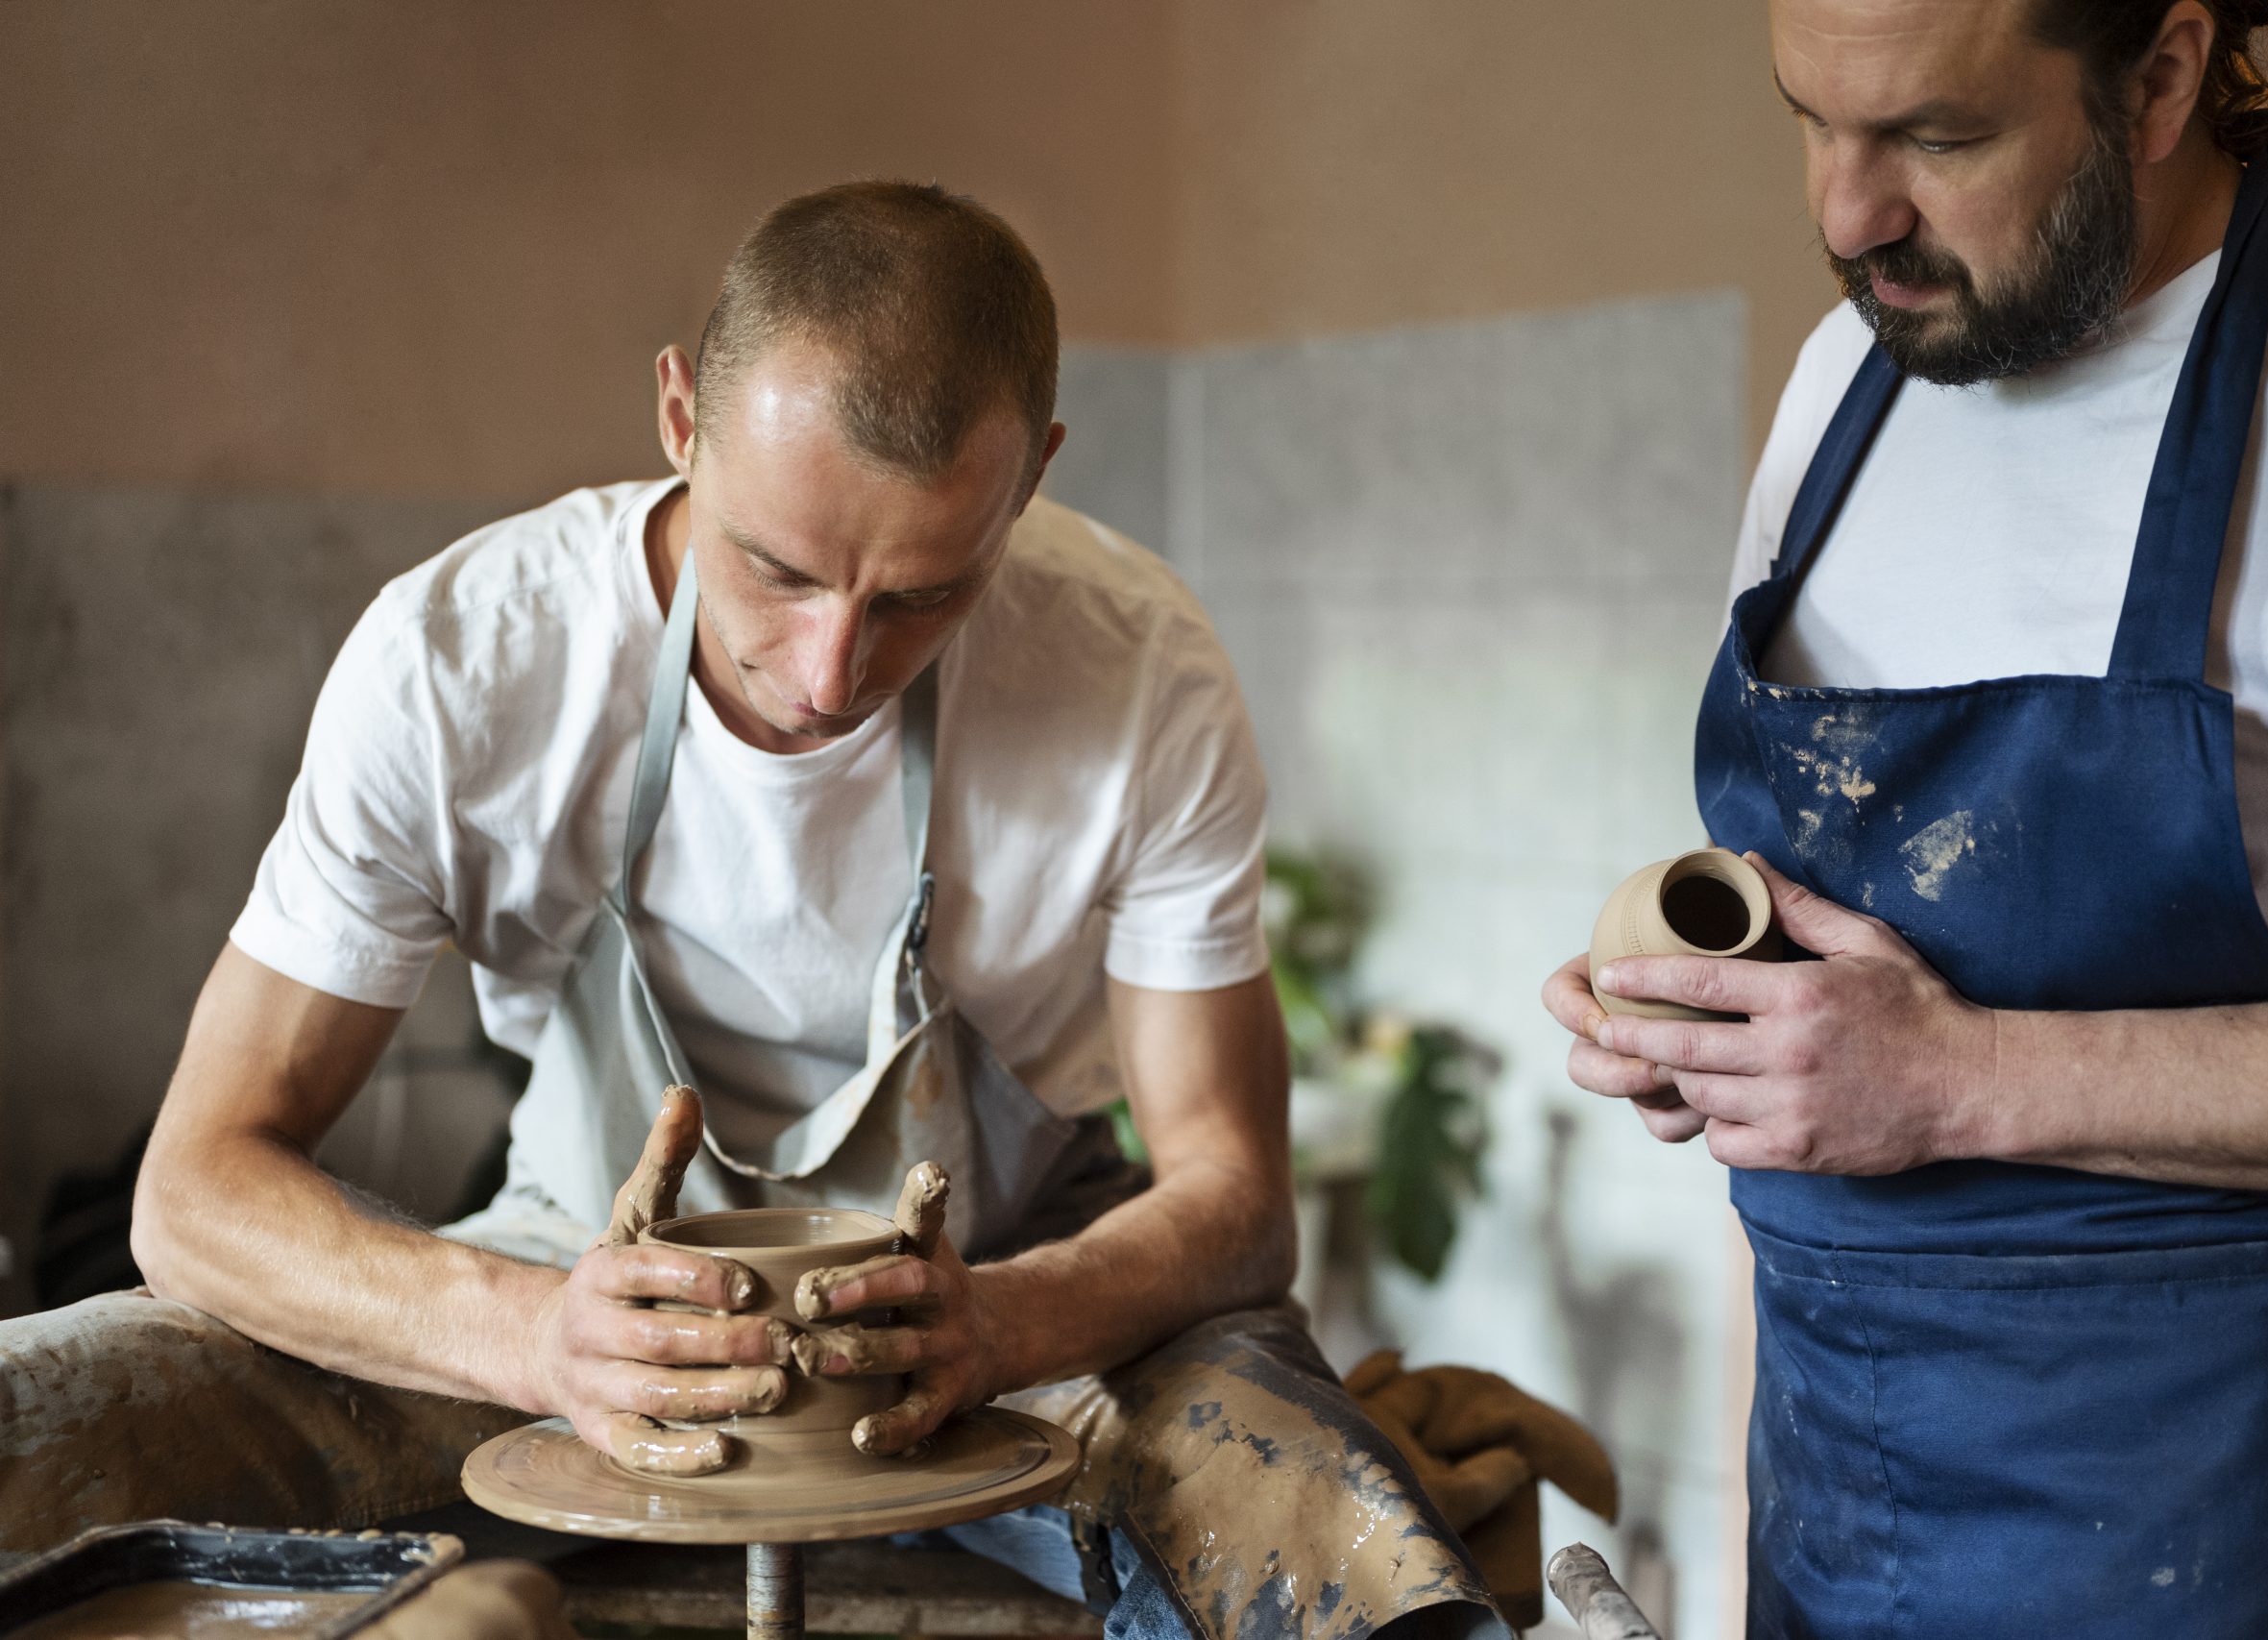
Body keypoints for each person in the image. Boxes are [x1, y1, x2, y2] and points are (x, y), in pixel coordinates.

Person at [0, 183, 1510, 1640]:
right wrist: (530, 1334)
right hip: (570, 1279)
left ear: (1029, 480)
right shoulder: (462, 662)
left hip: (996, 1316)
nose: (830, 672)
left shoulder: (1137, 668)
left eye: (922, 595)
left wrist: (1005, 1324)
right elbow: (192, 1194)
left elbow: (1236, 1200)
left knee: (1331, 1531)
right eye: (776, 571)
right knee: (43, 1421)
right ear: (679, 422)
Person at [1544, 1, 2268, 1634]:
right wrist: (1709, 1009)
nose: (1844, 213)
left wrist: (1961, 1080)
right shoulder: (1855, 376)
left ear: (2163, 74)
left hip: (2185, 1519)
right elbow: (1846, 940)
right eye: (1813, 122)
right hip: (1828, 1491)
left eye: (1937, 140)